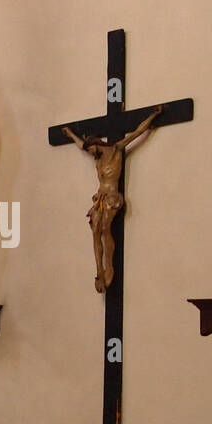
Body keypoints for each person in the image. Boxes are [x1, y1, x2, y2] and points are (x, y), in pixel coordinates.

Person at [63, 105, 162, 294]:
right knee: (95, 231)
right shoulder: (97, 157)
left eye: (91, 149)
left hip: (112, 197)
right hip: (99, 197)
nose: (91, 153)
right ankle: (99, 271)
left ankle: (109, 268)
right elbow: (80, 145)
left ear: (97, 144)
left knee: (105, 228)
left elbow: (138, 132)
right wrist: (70, 134)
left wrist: (152, 116)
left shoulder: (116, 149)